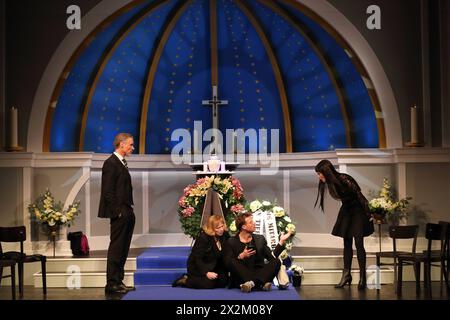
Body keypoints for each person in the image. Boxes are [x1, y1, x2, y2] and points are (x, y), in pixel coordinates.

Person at [314, 159, 374, 290]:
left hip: (357, 210)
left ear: (326, 171)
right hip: (346, 211)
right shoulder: (330, 183)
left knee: (358, 243)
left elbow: (359, 196)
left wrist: (369, 214)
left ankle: (363, 277)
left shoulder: (344, 179)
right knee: (347, 243)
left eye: (320, 173)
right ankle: (346, 275)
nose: (319, 176)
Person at [98, 133, 136, 294]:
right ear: (121, 144)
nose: (132, 147)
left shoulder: (121, 162)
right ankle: (112, 283)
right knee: (117, 247)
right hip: (120, 212)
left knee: (123, 248)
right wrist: (118, 212)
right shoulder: (110, 163)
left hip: (127, 210)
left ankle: (118, 281)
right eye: (130, 145)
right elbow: (108, 192)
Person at [226, 212, 292, 293]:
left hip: (259, 272)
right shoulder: (232, 241)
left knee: (276, 261)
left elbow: (271, 257)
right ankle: (260, 284)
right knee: (233, 261)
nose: (254, 223)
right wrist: (241, 256)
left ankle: (252, 283)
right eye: (250, 222)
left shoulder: (259, 239)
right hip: (243, 274)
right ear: (243, 226)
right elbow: (228, 263)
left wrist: (281, 242)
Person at [173, 215, 229, 289]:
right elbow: (197, 259)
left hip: (213, 265)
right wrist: (206, 272)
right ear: (211, 229)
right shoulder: (203, 238)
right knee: (209, 284)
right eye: (218, 228)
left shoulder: (224, 235)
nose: (221, 229)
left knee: (224, 282)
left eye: (222, 226)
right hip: (198, 266)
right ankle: (185, 280)